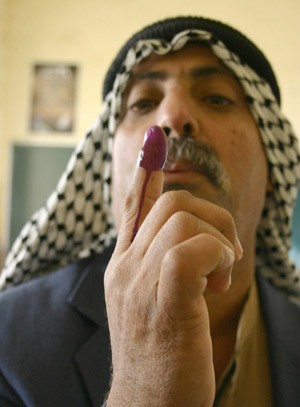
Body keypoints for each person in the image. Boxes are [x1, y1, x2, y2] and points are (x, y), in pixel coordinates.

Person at [0, 16, 300, 407]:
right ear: (105, 172)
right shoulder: (10, 339)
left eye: (216, 98)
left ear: (274, 170)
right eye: (143, 102)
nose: (172, 118)